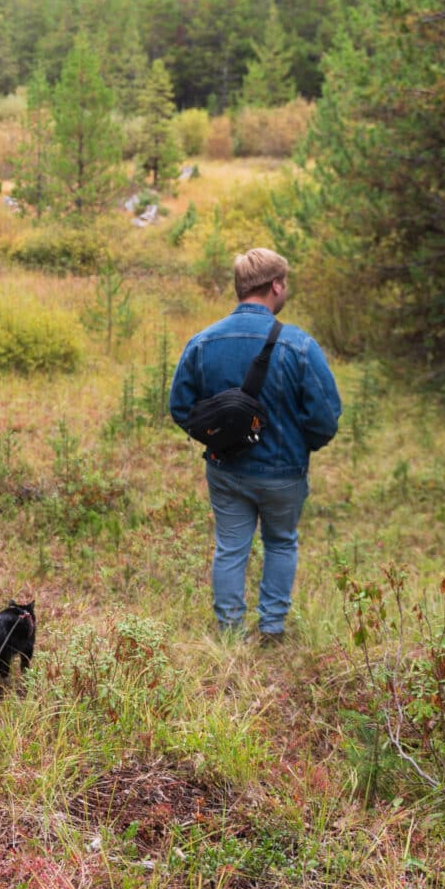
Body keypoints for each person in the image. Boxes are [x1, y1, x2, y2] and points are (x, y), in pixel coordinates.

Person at [168, 249, 341, 646]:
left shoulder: (202, 341)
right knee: (281, 542)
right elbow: (326, 417)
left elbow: (181, 407)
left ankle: (229, 633)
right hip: (284, 472)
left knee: (230, 548)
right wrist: (300, 446)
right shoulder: (299, 345)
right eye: (286, 284)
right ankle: (272, 630)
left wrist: (218, 440)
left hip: (225, 470)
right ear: (276, 285)